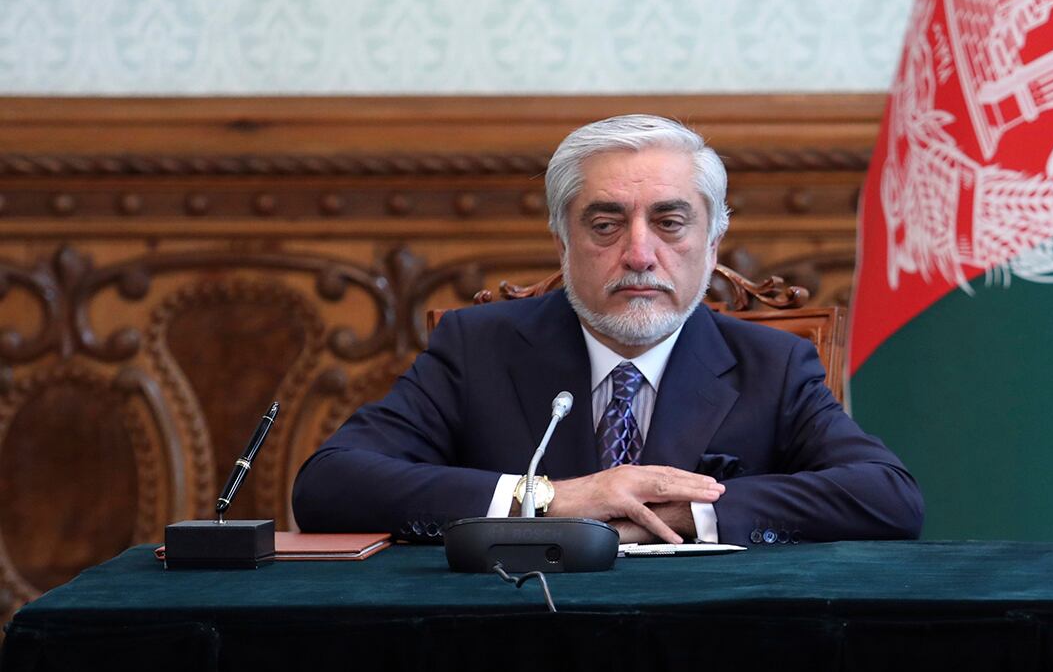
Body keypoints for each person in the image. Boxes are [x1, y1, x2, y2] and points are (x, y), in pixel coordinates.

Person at [294, 114, 922, 546]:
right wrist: (549, 500)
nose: (640, 253)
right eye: (605, 225)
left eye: (671, 223)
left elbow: (887, 497)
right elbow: (330, 484)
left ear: (712, 242)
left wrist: (692, 510)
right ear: (564, 242)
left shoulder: (773, 365)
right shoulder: (478, 347)